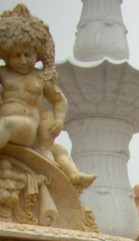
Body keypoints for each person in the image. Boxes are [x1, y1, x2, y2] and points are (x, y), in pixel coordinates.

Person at [0, 5, 94, 188]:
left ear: (37, 55)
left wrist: (58, 119)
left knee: (6, 124)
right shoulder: (3, 73)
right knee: (58, 151)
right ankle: (73, 175)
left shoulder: (40, 78)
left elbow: (59, 101)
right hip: (8, 125)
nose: (23, 60)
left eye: (28, 55)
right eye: (17, 55)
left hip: (27, 127)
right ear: (7, 56)